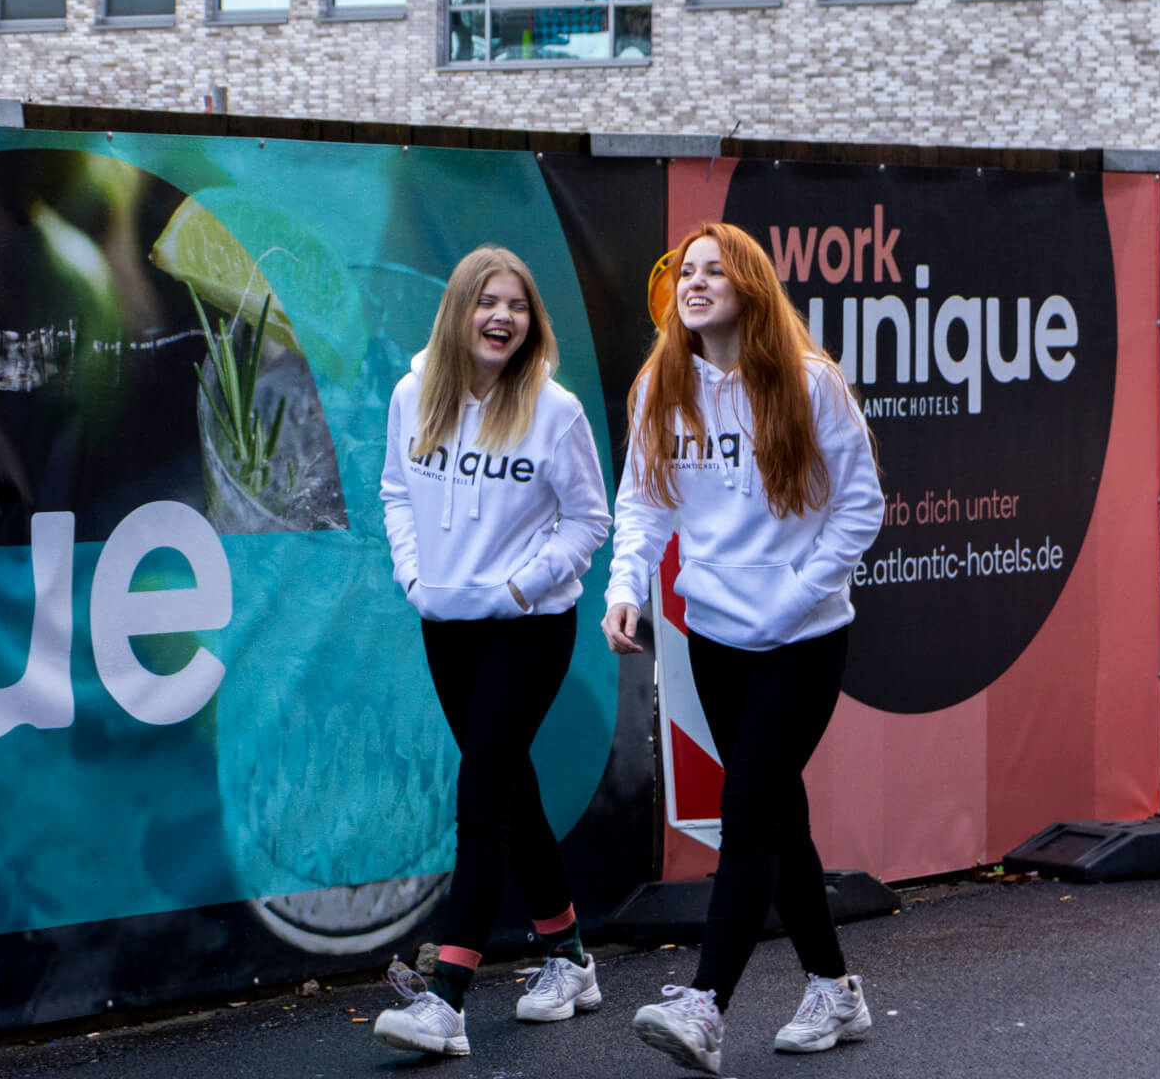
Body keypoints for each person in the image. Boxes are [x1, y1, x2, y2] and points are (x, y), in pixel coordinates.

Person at [603, 222, 884, 1076]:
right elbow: (645, 503)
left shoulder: (808, 382)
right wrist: (625, 587)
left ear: (750, 287)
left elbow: (861, 506)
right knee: (776, 812)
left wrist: (800, 594)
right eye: (686, 271)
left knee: (750, 808)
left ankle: (706, 1003)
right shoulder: (662, 382)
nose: (694, 282)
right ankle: (834, 987)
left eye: (714, 271)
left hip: (803, 638)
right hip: (715, 635)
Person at [371, 246, 612, 1057]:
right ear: (459, 313)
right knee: (511, 786)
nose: (501, 317)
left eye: (515, 305)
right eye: (486, 302)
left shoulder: (556, 410)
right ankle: (570, 956)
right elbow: (396, 491)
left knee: (482, 795)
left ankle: (446, 1000)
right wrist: (414, 574)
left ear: (531, 322)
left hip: (528, 628)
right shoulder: (415, 395)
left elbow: (589, 520)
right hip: (445, 622)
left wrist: (521, 587)